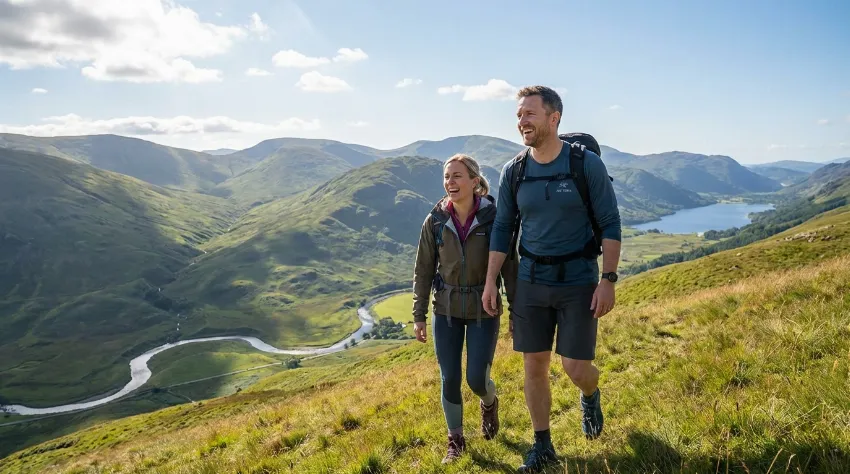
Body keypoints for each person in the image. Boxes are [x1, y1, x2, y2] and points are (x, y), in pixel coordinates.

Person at [482, 85, 622, 473]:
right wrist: (492, 280)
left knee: (576, 368)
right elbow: (503, 229)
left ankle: (590, 394)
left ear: (553, 118)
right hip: (531, 281)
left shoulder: (584, 165)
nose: (521, 121)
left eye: (529, 114)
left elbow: (610, 222)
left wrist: (608, 279)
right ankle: (542, 445)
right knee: (534, 366)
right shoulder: (514, 171)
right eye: (518, 115)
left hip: (578, 280)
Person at [411, 153, 518, 464]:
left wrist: (516, 311)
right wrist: (419, 315)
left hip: (485, 308)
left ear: (474, 181)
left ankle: (489, 402)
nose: (450, 182)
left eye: (457, 176)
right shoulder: (435, 221)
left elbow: (510, 268)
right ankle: (455, 440)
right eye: (447, 177)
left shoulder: (494, 219)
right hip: (445, 310)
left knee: (476, 379)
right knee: (449, 378)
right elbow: (423, 270)